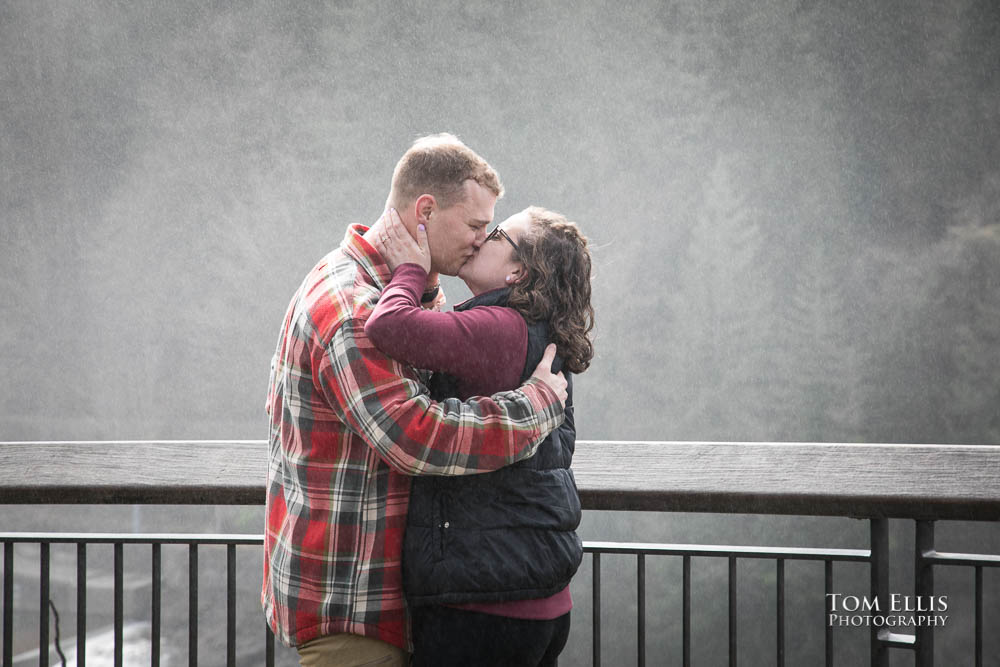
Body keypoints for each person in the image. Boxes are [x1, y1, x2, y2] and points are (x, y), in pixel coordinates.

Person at [262, 134, 569, 667]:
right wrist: (538, 405)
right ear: (425, 210)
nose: (480, 241)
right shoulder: (354, 308)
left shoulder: (400, 292)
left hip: (386, 605)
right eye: (476, 226)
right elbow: (418, 437)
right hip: (353, 612)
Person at [366, 205, 595, 666]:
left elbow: (388, 327)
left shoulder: (498, 329)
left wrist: (409, 269)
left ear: (518, 271)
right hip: (535, 598)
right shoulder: (528, 330)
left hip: (485, 608)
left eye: (495, 235)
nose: (478, 239)